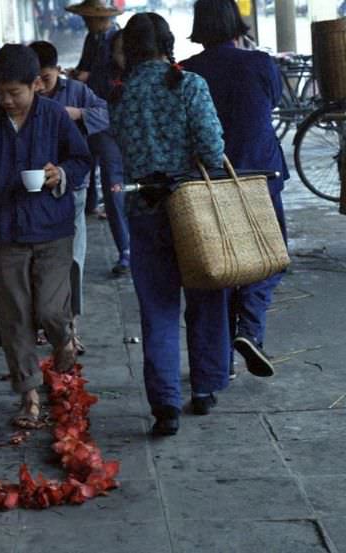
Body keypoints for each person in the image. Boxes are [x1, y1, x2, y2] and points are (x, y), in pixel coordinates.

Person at [109, 13, 228, 436]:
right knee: (206, 296)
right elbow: (213, 151)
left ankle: (164, 406)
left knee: (157, 308)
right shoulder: (189, 85)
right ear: (168, 43)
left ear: (130, 49)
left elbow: (123, 148)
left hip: (144, 210)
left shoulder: (119, 96)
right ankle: (206, 387)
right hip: (193, 209)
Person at [0, 44, 92, 428]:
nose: (6, 100)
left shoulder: (55, 117)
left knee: (52, 311)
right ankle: (29, 396)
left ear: (35, 85)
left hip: (52, 228)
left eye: (14, 93)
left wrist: (61, 174)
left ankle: (64, 339)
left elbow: (81, 159)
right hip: (3, 232)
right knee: (15, 318)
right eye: (0, 92)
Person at [182, 0, 287, 380]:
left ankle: (218, 363)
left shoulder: (188, 71)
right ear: (235, 23)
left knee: (220, 263)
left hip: (208, 181)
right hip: (261, 174)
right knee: (269, 256)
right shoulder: (259, 63)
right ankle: (250, 328)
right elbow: (272, 102)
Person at [29, 39, 109, 353]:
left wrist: (78, 114)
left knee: (72, 260)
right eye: (34, 80)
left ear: (57, 72)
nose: (39, 86)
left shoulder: (75, 91)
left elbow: (106, 114)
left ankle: (71, 328)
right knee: (35, 263)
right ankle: (40, 324)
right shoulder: (23, 97)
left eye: (45, 79)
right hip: (35, 192)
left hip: (72, 189)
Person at [66, 0, 131, 275]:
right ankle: (126, 250)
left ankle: (130, 249)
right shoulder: (92, 40)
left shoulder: (115, 42)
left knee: (116, 184)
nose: (87, 22)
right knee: (111, 183)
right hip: (99, 123)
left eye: (90, 18)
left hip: (111, 124)